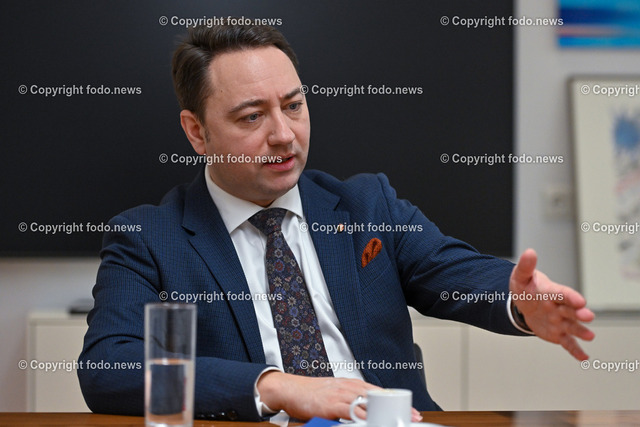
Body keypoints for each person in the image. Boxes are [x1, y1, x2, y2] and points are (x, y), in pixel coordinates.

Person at [78, 24, 595, 422]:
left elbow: (452, 270)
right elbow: (109, 365)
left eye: (293, 106)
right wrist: (276, 386)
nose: (284, 134)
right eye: (252, 116)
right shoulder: (151, 238)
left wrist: (515, 300)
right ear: (196, 132)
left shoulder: (367, 206)